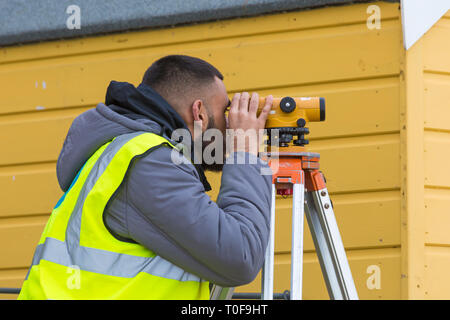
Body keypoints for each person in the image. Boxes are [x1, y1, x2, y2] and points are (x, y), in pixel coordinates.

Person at [18, 55, 273, 300]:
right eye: (224, 111)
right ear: (199, 113)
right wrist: (245, 154)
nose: (230, 125)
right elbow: (240, 256)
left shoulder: (123, 151)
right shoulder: (149, 162)